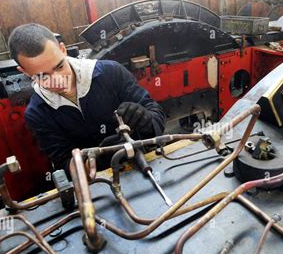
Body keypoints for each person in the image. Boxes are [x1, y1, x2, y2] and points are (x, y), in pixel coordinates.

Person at [8, 23, 165, 174]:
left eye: (59, 67)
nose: (58, 80)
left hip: (142, 165)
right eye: (42, 76)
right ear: (25, 72)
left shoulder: (111, 72)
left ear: (63, 50)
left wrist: (146, 120)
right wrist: (99, 158)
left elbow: (157, 115)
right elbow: (64, 163)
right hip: (96, 183)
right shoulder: (37, 113)